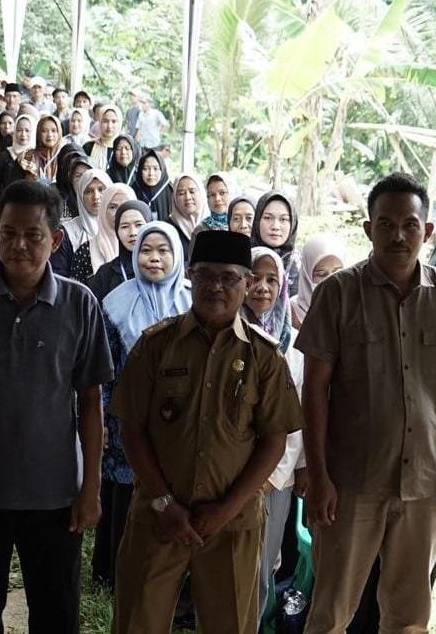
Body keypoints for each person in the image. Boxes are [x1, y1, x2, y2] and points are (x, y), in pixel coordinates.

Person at [0, 180, 113, 633]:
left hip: (55, 494)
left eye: (33, 235)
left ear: (56, 239)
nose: (19, 245)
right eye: (8, 232)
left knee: (55, 613)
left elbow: (90, 401)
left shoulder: (79, 303)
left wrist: (91, 488)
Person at [109, 230, 301, 633]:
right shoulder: (156, 346)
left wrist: (226, 509)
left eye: (229, 277)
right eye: (206, 275)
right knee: (137, 622)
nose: (216, 286)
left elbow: (273, 441)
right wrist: (164, 502)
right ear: (190, 278)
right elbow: (131, 429)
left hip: (232, 522)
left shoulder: (264, 358)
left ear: (247, 283)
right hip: (159, 516)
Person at [297, 173, 436, 634]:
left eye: (409, 224)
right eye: (385, 224)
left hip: (424, 483)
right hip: (352, 484)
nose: (398, 235)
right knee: (330, 614)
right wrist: (319, 478)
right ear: (367, 229)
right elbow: (314, 392)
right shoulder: (337, 293)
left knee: (408, 617)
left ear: (429, 230)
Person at [94, 221, 191, 590]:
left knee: (170, 491)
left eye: (163, 250)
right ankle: (117, 574)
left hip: (177, 422)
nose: (154, 258)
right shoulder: (116, 302)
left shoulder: (190, 300)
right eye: (146, 250)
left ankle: (170, 580)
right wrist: (102, 419)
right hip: (126, 419)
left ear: (176, 255)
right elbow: (104, 368)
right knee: (126, 492)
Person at [242, 245, 305, 624]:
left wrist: (273, 476)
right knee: (223, 564)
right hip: (228, 473)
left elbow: (296, 423)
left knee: (262, 562)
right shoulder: (225, 334)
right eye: (253, 277)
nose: (261, 287)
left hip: (274, 480)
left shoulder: (295, 345)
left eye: (271, 279)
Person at [86, 195, 152, 303]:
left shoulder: (160, 267)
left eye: (139, 225)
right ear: (117, 231)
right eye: (124, 226)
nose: (132, 233)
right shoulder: (106, 274)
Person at [51, 169, 111, 282]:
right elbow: (58, 277)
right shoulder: (67, 233)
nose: (96, 196)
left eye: (101, 189)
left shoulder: (119, 228)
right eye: (88, 191)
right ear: (80, 196)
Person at [289, 234, 345, 329]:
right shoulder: (291, 313)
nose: (331, 280)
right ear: (306, 276)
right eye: (321, 274)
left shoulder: (353, 309)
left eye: (337, 272)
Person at [251, 191, 300, 297]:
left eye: (283, 219)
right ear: (257, 220)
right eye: (268, 218)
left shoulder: (302, 265)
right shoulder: (243, 260)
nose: (275, 226)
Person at [167, 173, 209, 259]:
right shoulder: (168, 228)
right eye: (181, 193)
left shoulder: (214, 225)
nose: (188, 197)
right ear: (174, 197)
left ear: (201, 193)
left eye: (192, 191)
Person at [128, 147, 173, 222]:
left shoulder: (171, 191)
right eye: (146, 168)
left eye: (155, 169)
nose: (151, 174)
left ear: (162, 169)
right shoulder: (133, 190)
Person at [84, 105, 122, 171]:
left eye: (114, 121)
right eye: (105, 121)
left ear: (120, 123)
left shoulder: (123, 149)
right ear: (99, 122)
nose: (109, 126)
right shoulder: (89, 147)